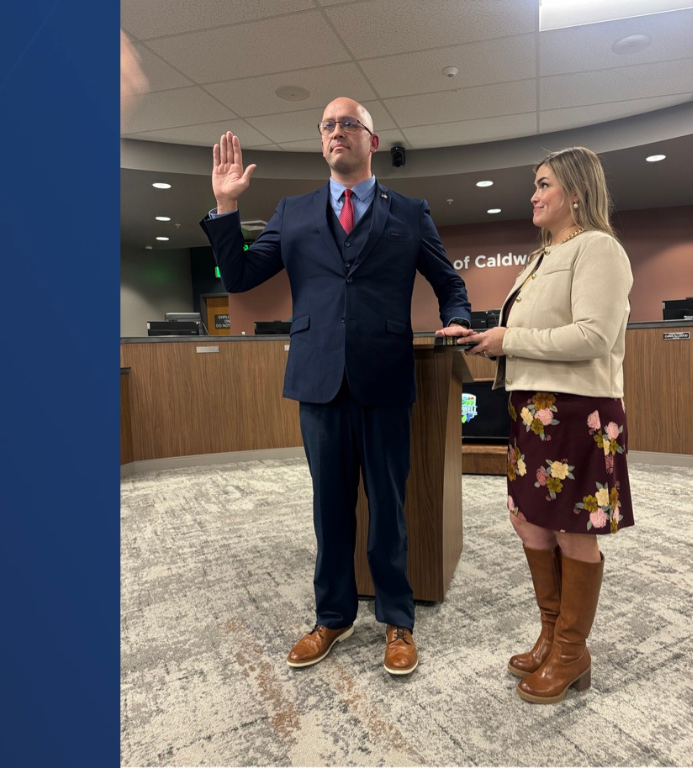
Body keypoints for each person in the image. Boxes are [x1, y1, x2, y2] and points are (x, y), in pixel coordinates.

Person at [201, 98, 474, 677]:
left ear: (373, 141)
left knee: (389, 508)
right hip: (318, 380)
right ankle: (333, 616)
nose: (336, 132)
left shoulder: (410, 212)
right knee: (329, 509)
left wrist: (458, 316)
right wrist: (226, 208)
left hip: (384, 377)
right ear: (321, 141)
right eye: (327, 126)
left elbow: (448, 281)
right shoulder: (293, 212)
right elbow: (242, 278)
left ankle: (398, 619)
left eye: (349, 124)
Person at [465, 147, 634, 703]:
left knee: (572, 532)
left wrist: (508, 340)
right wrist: (495, 345)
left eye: (543, 185)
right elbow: (537, 335)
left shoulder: (598, 248)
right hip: (532, 412)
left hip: (578, 413)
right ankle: (551, 632)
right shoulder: (540, 258)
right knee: (530, 523)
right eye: (533, 187)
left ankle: (571, 651)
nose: (533, 196)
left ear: (577, 191)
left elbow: (593, 335)